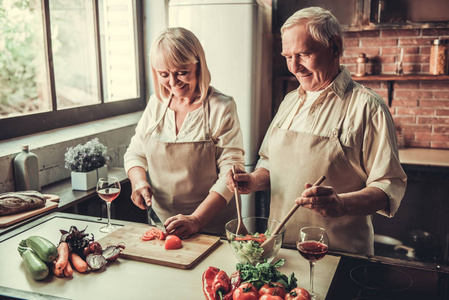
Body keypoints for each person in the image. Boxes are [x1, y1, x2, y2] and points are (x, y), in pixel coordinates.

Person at [227, 7, 407, 254]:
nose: (294, 67)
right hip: (280, 251)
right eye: (287, 56)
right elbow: (269, 163)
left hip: (339, 255)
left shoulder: (368, 107)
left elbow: (388, 186)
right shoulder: (290, 101)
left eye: (303, 54)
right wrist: (252, 181)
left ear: (335, 47)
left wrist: (341, 205)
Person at [124, 27, 244, 238]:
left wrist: (196, 220)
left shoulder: (221, 107)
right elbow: (135, 153)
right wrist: (139, 182)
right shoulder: (156, 104)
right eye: (164, 74)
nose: (173, 83)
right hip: (162, 224)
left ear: (199, 65)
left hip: (212, 227)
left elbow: (230, 174)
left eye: (181, 72)